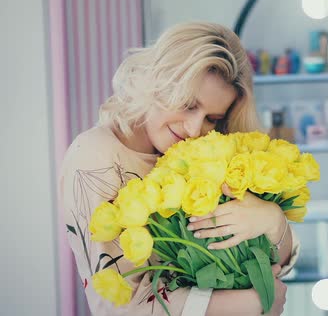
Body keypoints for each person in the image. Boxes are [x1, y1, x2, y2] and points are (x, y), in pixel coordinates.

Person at [59, 22, 299, 316]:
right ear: (159, 80)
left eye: (212, 118)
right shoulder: (95, 156)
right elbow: (118, 306)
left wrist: (273, 221)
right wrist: (249, 304)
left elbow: (281, 261)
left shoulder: (205, 154)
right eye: (187, 104)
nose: (195, 128)